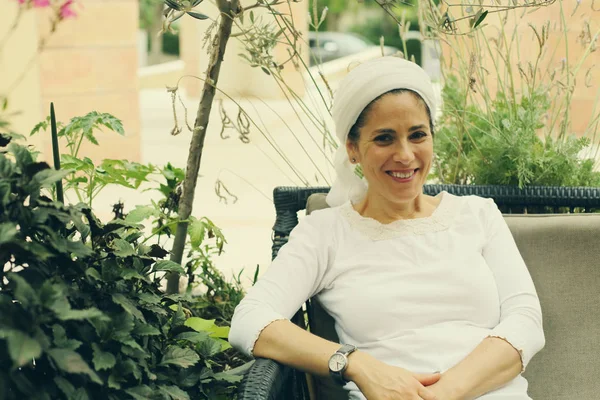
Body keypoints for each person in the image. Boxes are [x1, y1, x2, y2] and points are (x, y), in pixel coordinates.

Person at [229, 56, 545, 400]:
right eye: (384, 139)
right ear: (352, 149)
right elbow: (250, 320)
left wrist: (444, 393)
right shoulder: (326, 233)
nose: (406, 155)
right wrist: (355, 363)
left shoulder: (477, 215)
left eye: (418, 135)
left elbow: (525, 322)